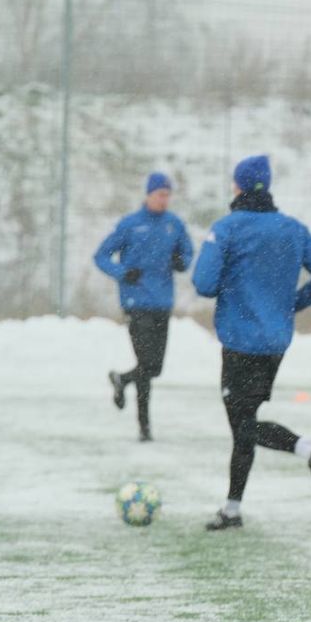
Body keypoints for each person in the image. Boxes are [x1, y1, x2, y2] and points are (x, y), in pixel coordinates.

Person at [192, 155, 311, 531]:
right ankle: (232, 508)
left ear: (238, 186)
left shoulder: (227, 228)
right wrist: (290, 305)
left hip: (240, 342)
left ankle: (309, 449)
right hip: (275, 343)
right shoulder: (292, 228)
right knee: (246, 424)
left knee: (242, 428)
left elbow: (204, 283)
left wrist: (235, 286)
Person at [94, 171, 194, 442]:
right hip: (136, 302)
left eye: (167, 195)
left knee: (154, 367)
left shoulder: (174, 224)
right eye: (160, 194)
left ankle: (122, 379)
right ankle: (144, 427)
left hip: (162, 302)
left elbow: (187, 254)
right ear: (148, 195)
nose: (164, 199)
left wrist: (179, 261)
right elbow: (101, 255)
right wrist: (122, 272)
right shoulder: (130, 224)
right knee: (146, 363)